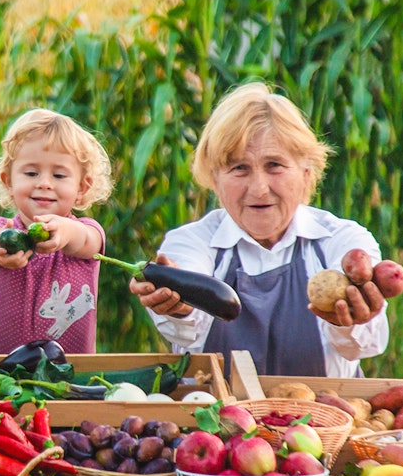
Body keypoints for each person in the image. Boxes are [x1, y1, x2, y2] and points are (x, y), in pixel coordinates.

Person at [129, 82, 389, 378]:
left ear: (305, 175)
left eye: (274, 165)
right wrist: (178, 304)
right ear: (215, 180)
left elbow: (360, 347)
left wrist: (352, 318)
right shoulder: (190, 242)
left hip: (328, 419)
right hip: (213, 421)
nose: (259, 189)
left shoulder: (341, 240)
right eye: (239, 168)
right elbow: (188, 311)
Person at [0, 108, 113, 354]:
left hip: (74, 373)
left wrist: (64, 233)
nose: (44, 183)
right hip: (6, 371)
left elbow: (87, 241)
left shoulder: (85, 232)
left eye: (59, 175)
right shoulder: (1, 230)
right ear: (8, 181)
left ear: (82, 187)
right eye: (31, 173)